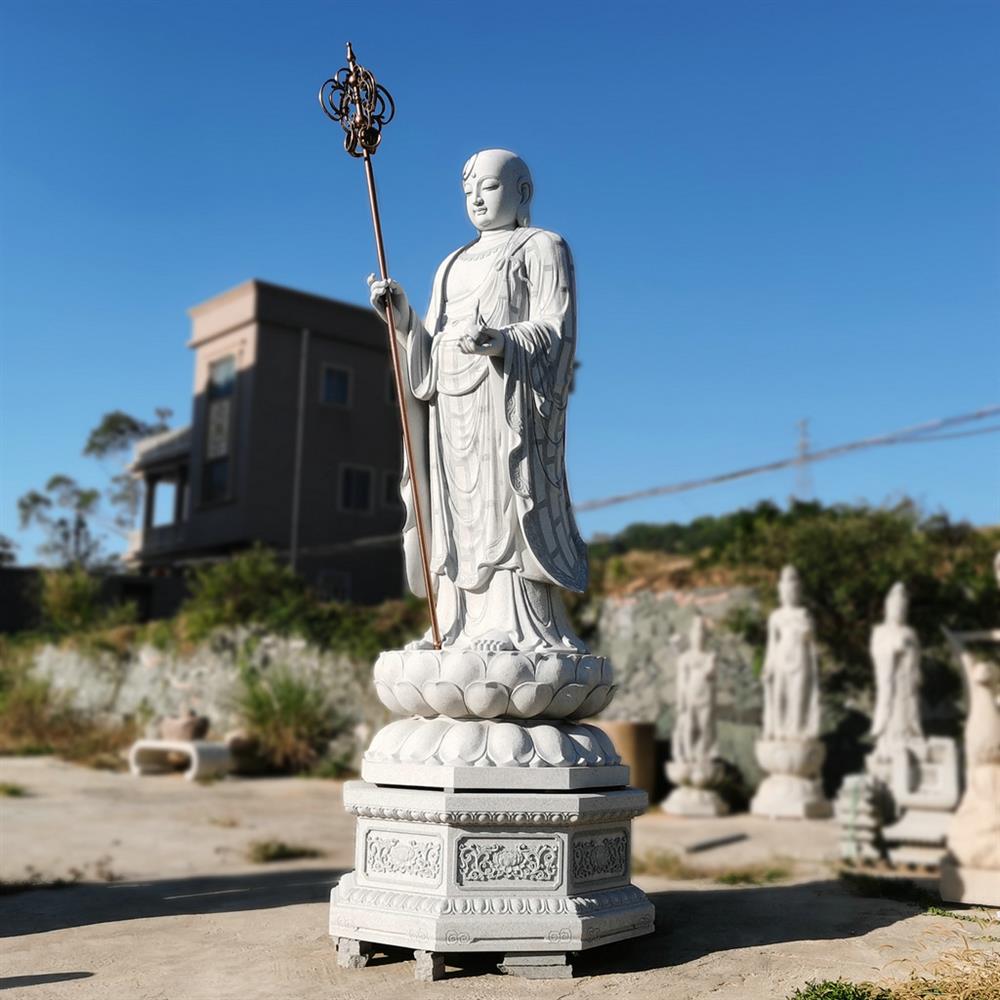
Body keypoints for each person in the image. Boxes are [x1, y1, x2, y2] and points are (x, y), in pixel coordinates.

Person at [368, 149, 587, 652]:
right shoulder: (452, 262)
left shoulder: (541, 246)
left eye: (487, 188)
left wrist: (504, 342)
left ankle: (516, 625)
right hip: (450, 403)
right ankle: (455, 620)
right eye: (468, 192)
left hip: (504, 401)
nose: (476, 200)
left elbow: (557, 329)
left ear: (522, 192)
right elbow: (428, 354)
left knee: (501, 504)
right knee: (453, 513)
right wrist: (402, 319)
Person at [761, 565, 821, 739]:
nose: (789, 593)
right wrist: (768, 666)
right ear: (780, 591)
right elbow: (771, 644)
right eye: (785, 589)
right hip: (781, 657)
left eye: (793, 589)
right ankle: (779, 729)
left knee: (798, 694)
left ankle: (797, 728)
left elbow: (812, 641)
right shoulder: (776, 616)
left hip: (800, 658)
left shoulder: (804, 614)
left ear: (798, 590)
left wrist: (808, 632)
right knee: (780, 694)